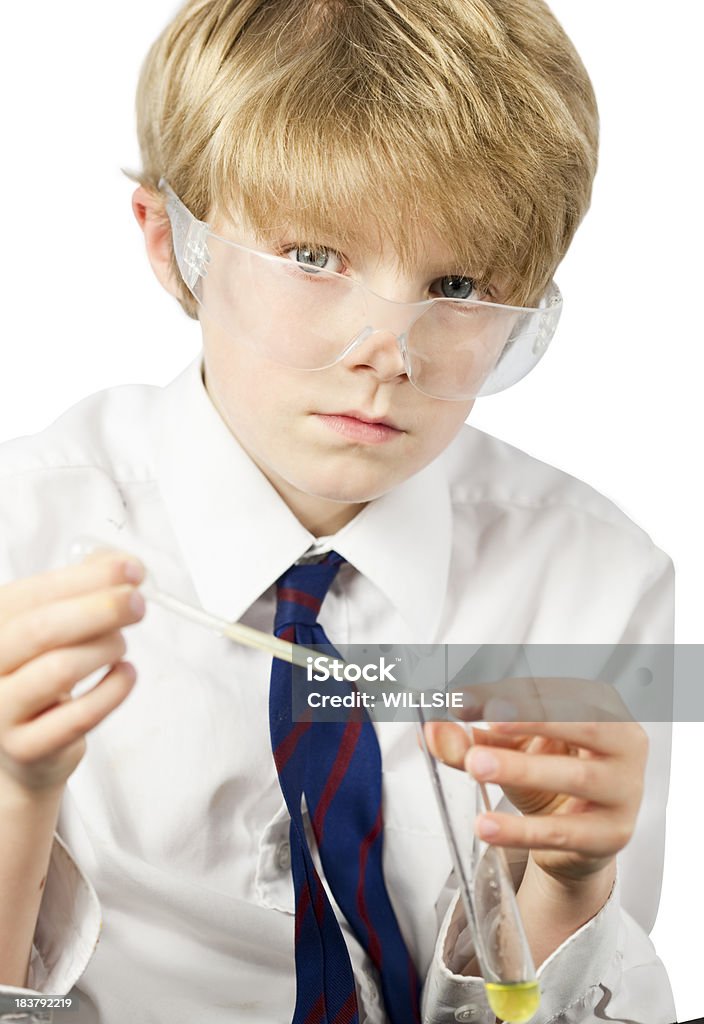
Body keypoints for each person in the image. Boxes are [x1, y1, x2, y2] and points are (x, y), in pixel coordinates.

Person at [0, 1, 675, 1022]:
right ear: (167, 241)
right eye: (313, 257)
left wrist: (568, 886)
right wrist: (14, 791)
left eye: (456, 284)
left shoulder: (596, 582)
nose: (387, 353)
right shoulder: (23, 538)